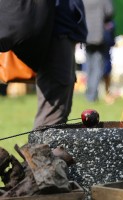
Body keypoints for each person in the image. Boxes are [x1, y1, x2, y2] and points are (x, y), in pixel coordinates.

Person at [34, 0, 88, 129]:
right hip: (56, 35)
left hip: (64, 34)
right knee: (53, 111)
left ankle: (47, 146)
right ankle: (39, 148)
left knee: (61, 108)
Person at [83, 0, 114, 102]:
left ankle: (89, 93)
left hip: (86, 35)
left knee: (89, 66)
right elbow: (110, 12)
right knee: (97, 66)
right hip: (99, 35)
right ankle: (92, 95)